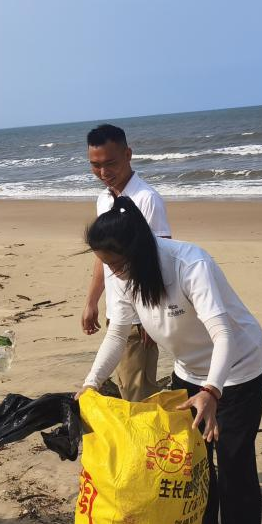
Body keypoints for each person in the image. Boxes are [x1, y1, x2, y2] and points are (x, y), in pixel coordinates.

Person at [76, 197, 262, 524]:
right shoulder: (121, 272)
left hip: (236, 370)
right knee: (191, 465)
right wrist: (91, 383)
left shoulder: (189, 263)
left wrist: (212, 392)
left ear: (140, 251)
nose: (113, 273)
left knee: (234, 466)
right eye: (106, 265)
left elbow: (223, 334)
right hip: (189, 371)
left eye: (117, 265)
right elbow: (118, 333)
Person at [81, 124, 171, 402]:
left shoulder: (147, 199)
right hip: (117, 311)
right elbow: (103, 255)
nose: (103, 172)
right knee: (125, 386)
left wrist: (151, 318)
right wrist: (92, 301)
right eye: (95, 165)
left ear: (128, 154)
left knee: (137, 394)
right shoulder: (103, 199)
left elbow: (162, 260)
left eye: (110, 163)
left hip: (140, 316)